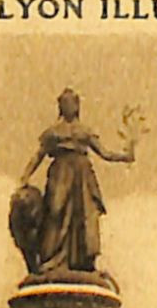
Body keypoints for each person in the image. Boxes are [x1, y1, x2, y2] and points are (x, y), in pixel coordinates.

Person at [17, 89, 140, 274]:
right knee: (55, 211)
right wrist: (25, 177)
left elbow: (104, 153)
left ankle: (82, 262)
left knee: (84, 215)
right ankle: (52, 258)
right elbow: (38, 155)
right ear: (60, 107)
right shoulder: (53, 133)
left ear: (76, 106)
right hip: (60, 173)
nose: (68, 107)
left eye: (71, 103)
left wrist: (125, 156)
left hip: (82, 177)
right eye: (64, 103)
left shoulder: (85, 132)